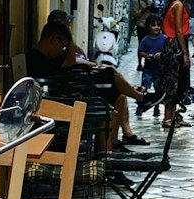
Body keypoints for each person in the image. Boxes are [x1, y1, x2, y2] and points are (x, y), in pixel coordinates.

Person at [25, 19, 147, 147]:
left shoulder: (43, 57)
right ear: (54, 39)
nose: (63, 49)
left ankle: (113, 145)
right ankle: (106, 152)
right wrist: (70, 41)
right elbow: (71, 60)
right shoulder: (39, 59)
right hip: (60, 101)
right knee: (109, 104)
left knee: (116, 94)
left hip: (64, 96)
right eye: (63, 45)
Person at [159, 0, 194, 130]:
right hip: (175, 45)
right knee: (173, 82)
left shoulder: (174, 3)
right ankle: (168, 117)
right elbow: (179, 31)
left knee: (178, 81)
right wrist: (185, 53)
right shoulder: (178, 5)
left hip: (173, 44)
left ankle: (173, 117)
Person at [137, 14, 166, 115]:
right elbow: (140, 52)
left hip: (160, 69)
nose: (156, 27)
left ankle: (156, 107)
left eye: (158, 25)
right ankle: (140, 105)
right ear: (149, 27)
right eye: (153, 25)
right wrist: (146, 55)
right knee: (144, 87)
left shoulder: (164, 39)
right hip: (148, 68)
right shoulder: (145, 40)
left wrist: (161, 54)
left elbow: (168, 52)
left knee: (158, 89)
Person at [130, 0, 155, 69]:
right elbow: (135, 14)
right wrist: (145, 9)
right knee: (141, 45)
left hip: (150, 25)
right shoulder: (137, 1)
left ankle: (147, 62)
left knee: (150, 44)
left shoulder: (151, 0)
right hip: (141, 25)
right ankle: (139, 63)